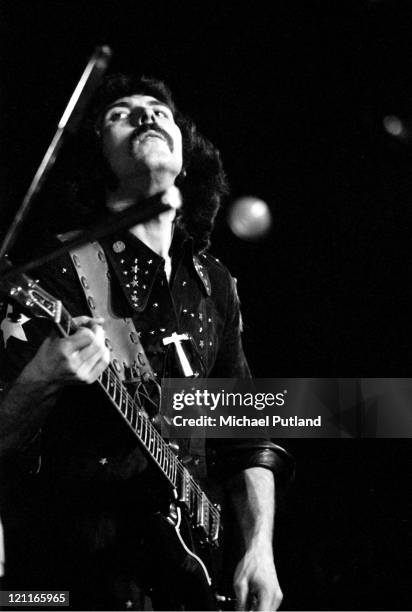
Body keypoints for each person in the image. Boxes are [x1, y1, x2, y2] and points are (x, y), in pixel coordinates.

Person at [0, 74, 292, 611]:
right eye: (121, 113)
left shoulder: (215, 283)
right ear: (97, 160)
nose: (147, 116)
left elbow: (244, 433)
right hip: (72, 581)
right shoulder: (52, 274)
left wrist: (258, 549)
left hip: (189, 579)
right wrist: (39, 379)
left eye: (159, 108)